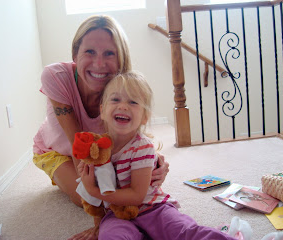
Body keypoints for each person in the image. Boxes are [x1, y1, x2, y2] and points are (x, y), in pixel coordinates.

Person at [32, 15, 169, 239]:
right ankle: (58, 177)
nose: (99, 64)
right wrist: (100, 223)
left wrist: (154, 163)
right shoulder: (55, 76)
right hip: (57, 150)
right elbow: (79, 145)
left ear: (121, 59)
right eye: (89, 52)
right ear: (75, 54)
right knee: (85, 197)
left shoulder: (122, 88)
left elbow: (132, 138)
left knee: (127, 185)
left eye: (109, 54)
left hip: (102, 153)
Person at [77, 71, 241, 240]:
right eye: (115, 99)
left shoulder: (142, 147)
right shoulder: (98, 149)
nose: (123, 106)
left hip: (153, 208)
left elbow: (136, 196)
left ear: (144, 116)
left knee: (185, 231)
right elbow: (98, 180)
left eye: (133, 102)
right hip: (117, 213)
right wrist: (87, 176)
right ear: (102, 111)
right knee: (111, 236)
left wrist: (92, 190)